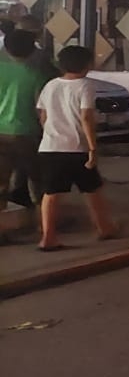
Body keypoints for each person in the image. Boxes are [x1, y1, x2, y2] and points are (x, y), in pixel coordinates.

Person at [35, 45, 118, 251]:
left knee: (51, 193)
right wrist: (92, 147)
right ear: (88, 64)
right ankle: (104, 228)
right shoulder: (85, 86)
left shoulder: (51, 85)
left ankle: (48, 237)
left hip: (50, 146)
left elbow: (43, 115)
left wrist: (53, 132)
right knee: (92, 189)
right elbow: (86, 117)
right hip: (77, 148)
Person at [0, 28, 52, 241]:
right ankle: (44, 227)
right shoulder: (38, 74)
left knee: (1, 183)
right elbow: (41, 109)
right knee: (38, 181)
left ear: (6, 48)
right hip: (27, 134)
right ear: (32, 51)